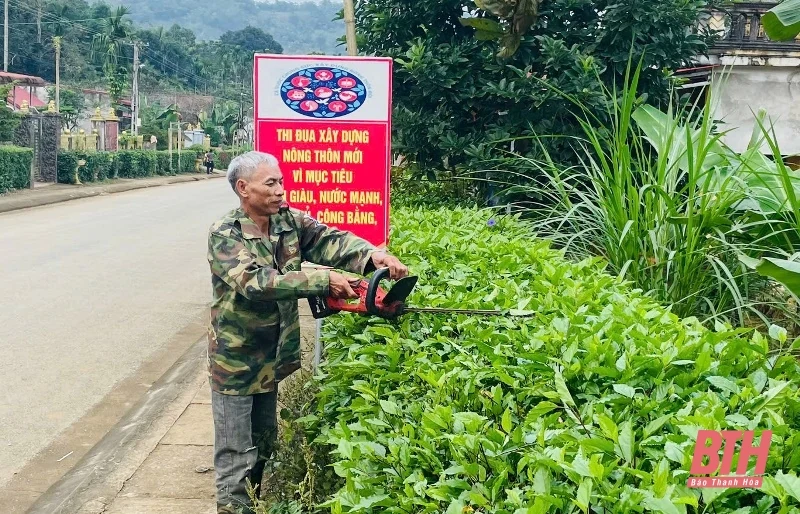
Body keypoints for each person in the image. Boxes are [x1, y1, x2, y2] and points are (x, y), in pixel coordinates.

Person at [207, 151, 407, 514]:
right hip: (236, 360)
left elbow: (330, 239)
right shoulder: (225, 234)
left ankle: (251, 503)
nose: (281, 190)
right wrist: (322, 280)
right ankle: (234, 508)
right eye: (271, 183)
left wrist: (371, 256)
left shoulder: (287, 221)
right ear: (243, 188)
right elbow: (255, 283)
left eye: (281, 181)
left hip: (272, 354)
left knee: (264, 443)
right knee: (235, 453)